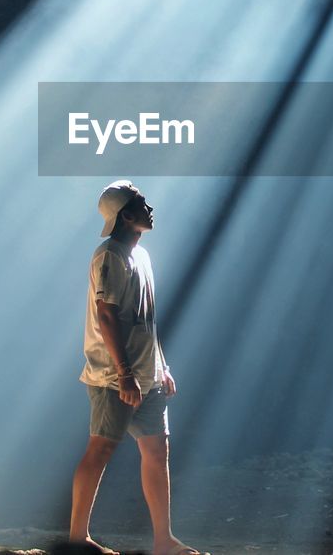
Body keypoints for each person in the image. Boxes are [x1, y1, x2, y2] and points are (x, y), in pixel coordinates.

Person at [68, 180, 202, 555]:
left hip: (145, 375)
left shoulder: (140, 257)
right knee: (100, 449)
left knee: (157, 451)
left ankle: (163, 539)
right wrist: (124, 373)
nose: (150, 208)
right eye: (142, 203)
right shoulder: (109, 255)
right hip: (113, 376)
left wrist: (162, 366)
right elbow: (106, 316)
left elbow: (146, 320)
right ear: (126, 215)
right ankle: (78, 540)